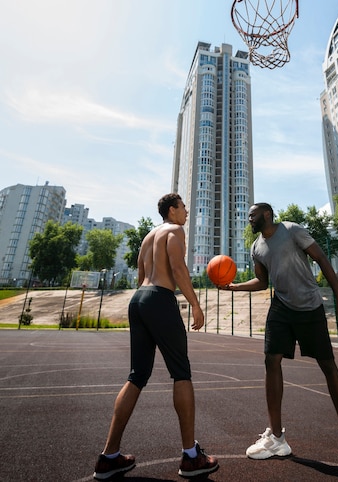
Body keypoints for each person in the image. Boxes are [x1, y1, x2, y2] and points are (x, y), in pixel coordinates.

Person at [221, 202, 338, 467]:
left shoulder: (292, 230)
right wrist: (234, 287)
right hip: (282, 306)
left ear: (267, 214)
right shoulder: (256, 248)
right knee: (271, 360)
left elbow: (321, 259)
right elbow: (263, 282)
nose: (249, 219)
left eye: (252, 215)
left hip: (310, 305)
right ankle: (276, 438)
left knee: (327, 365)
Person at [94, 193, 219, 480]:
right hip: (160, 298)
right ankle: (190, 456)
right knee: (181, 373)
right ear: (172, 210)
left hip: (138, 300)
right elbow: (177, 267)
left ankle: (109, 456)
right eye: (184, 208)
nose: (187, 213)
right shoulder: (175, 231)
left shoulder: (149, 236)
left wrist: (147, 301)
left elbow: (140, 273)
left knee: (137, 375)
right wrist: (196, 304)